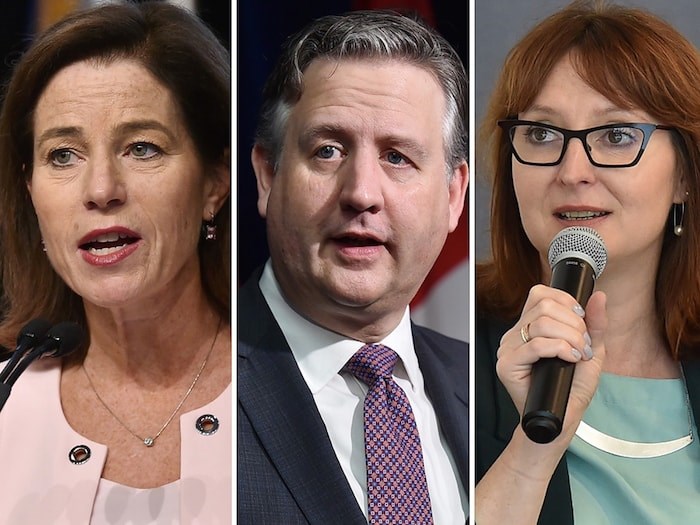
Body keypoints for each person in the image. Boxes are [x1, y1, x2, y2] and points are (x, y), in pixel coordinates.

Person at [0, 2, 231, 523]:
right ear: (31, 193)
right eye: (63, 155)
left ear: (214, 183)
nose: (101, 189)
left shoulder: (298, 384)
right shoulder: (6, 407)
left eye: (142, 148)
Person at [238, 10, 469, 524]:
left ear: (454, 196)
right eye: (327, 151)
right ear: (268, 176)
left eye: (397, 158)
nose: (361, 192)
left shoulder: (491, 389)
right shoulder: (190, 380)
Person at [475, 1, 700, 523]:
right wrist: (531, 455)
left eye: (616, 135)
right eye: (541, 134)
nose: (572, 170)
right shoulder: (450, 356)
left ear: (686, 176)